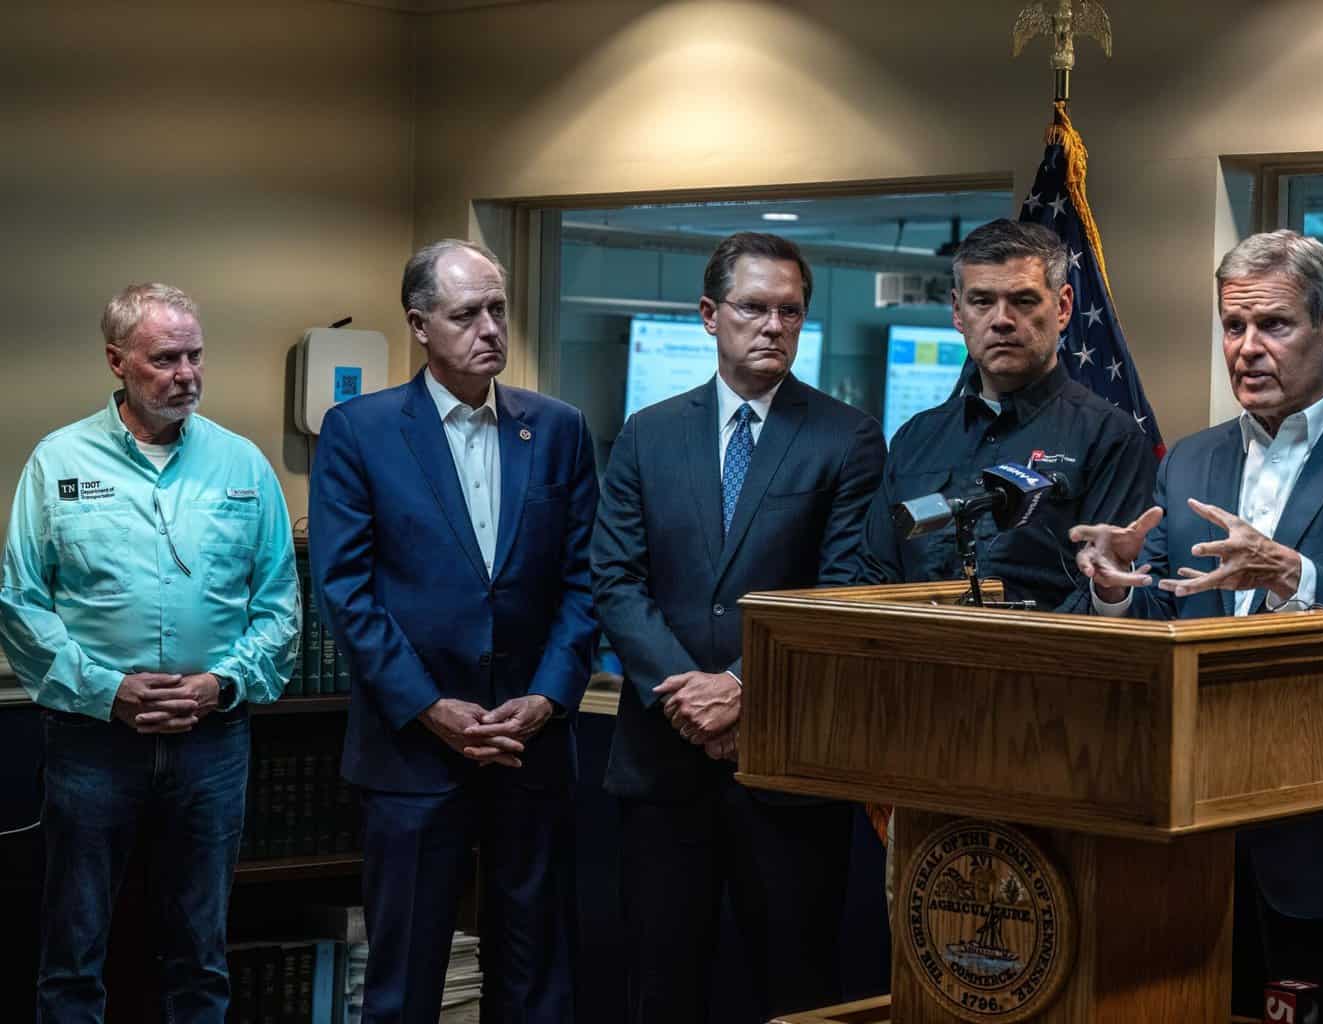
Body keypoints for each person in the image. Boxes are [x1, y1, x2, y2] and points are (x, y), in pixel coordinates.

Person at [1070, 230, 1323, 1023]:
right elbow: (1168, 617)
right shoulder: (1189, 460)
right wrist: (1117, 589)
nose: (1246, 349)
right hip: (1197, 839)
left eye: (1274, 326)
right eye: (1232, 327)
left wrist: (1297, 577)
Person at [592, 231, 886, 1022]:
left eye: (790, 311)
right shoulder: (649, 432)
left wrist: (743, 689)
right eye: (754, 308)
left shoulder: (845, 436)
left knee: (795, 989)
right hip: (663, 765)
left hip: (785, 763)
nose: (773, 326)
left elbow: (844, 587)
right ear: (709, 315)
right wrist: (687, 698)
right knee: (661, 986)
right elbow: (616, 581)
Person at [309, 240, 597, 1023]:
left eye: (498, 308)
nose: (490, 328)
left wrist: (548, 697)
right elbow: (346, 588)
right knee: (404, 978)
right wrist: (430, 706)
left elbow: (585, 580)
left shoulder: (558, 428)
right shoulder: (359, 430)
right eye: (466, 313)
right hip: (412, 751)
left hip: (528, 744)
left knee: (535, 974)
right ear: (420, 325)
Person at [0, 283, 300, 1022]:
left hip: (212, 740)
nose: (185, 373)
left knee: (199, 952)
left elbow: (279, 606)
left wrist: (222, 684)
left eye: (195, 355)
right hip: (93, 742)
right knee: (74, 953)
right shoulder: (58, 461)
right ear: (117, 361)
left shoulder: (242, 466)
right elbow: (22, 602)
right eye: (164, 358)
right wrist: (109, 690)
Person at [858, 219, 1156, 609]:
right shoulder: (917, 437)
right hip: (918, 659)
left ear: (1063, 307)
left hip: (1046, 661)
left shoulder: (1109, 436)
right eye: (982, 301)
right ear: (958, 313)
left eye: (1023, 301)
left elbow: (1104, 589)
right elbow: (875, 574)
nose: (1001, 319)